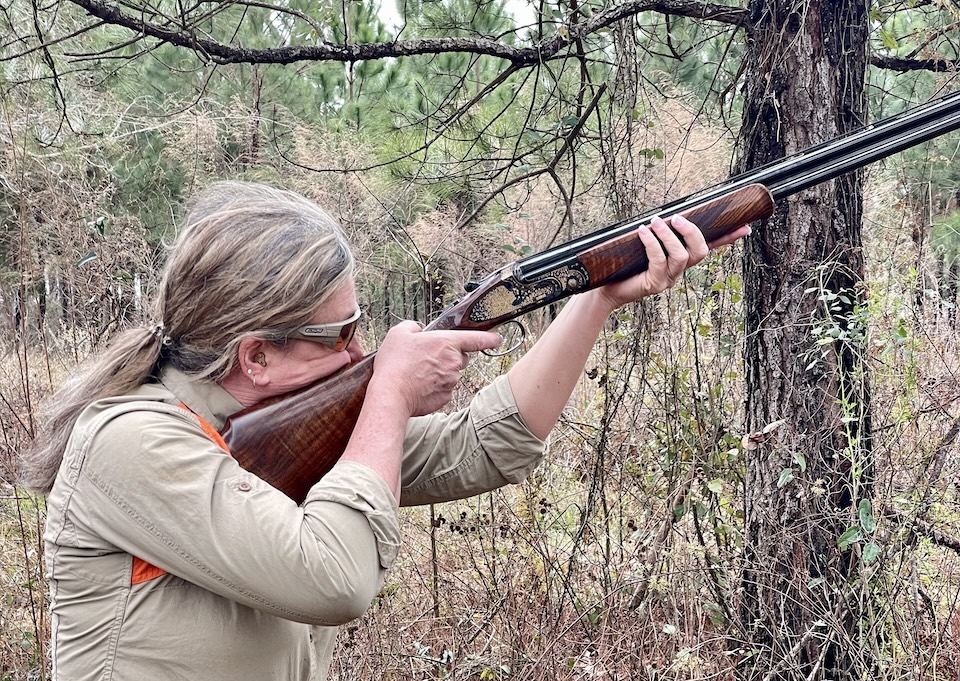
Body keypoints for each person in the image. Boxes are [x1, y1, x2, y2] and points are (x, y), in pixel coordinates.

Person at [20, 181, 749, 680]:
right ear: (256, 354)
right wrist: (392, 389)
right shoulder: (126, 441)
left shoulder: (280, 427)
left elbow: (485, 444)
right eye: (341, 335)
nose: (360, 356)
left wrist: (596, 300)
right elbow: (331, 575)